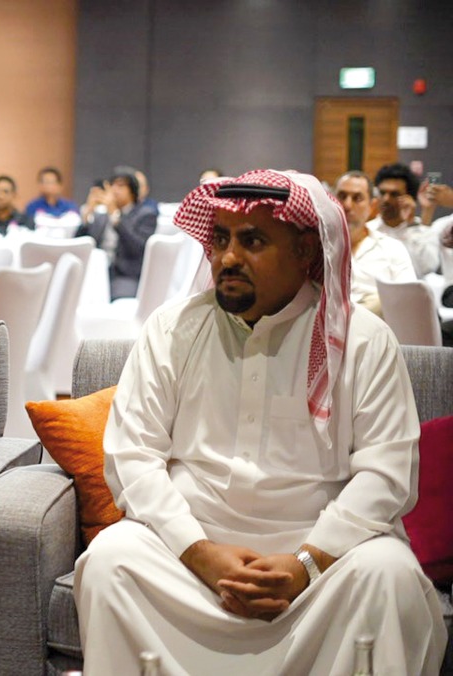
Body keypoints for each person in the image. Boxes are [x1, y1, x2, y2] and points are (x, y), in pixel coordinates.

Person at [74, 169, 445, 675]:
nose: (228, 257)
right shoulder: (172, 329)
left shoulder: (364, 341)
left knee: (389, 575)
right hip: (190, 554)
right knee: (110, 560)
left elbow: (386, 474)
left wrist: (306, 563)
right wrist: (199, 553)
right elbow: (132, 455)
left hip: (321, 563)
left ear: (305, 252)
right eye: (221, 239)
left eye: (252, 241)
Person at [335, 171, 415, 316]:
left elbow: (408, 301)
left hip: (377, 329)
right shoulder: (317, 246)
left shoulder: (392, 249)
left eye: (357, 198)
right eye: (341, 196)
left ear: (372, 206)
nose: (347, 205)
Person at [76, 171, 158, 299]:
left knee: (117, 299)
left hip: (125, 275)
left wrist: (115, 216)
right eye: (111, 186)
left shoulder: (145, 215)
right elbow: (78, 246)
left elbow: (138, 248)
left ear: (132, 191)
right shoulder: (101, 216)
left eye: (120, 186)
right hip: (97, 272)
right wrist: (88, 214)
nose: (114, 190)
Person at [369, 163, 440, 277]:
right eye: (382, 193)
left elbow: (428, 267)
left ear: (409, 198)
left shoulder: (421, 229)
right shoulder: (368, 230)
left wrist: (411, 225)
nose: (386, 199)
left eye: (394, 194)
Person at [24, 166, 81, 232]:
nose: (47, 185)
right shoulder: (32, 206)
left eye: (50, 182)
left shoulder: (69, 206)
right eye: (43, 182)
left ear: (60, 185)